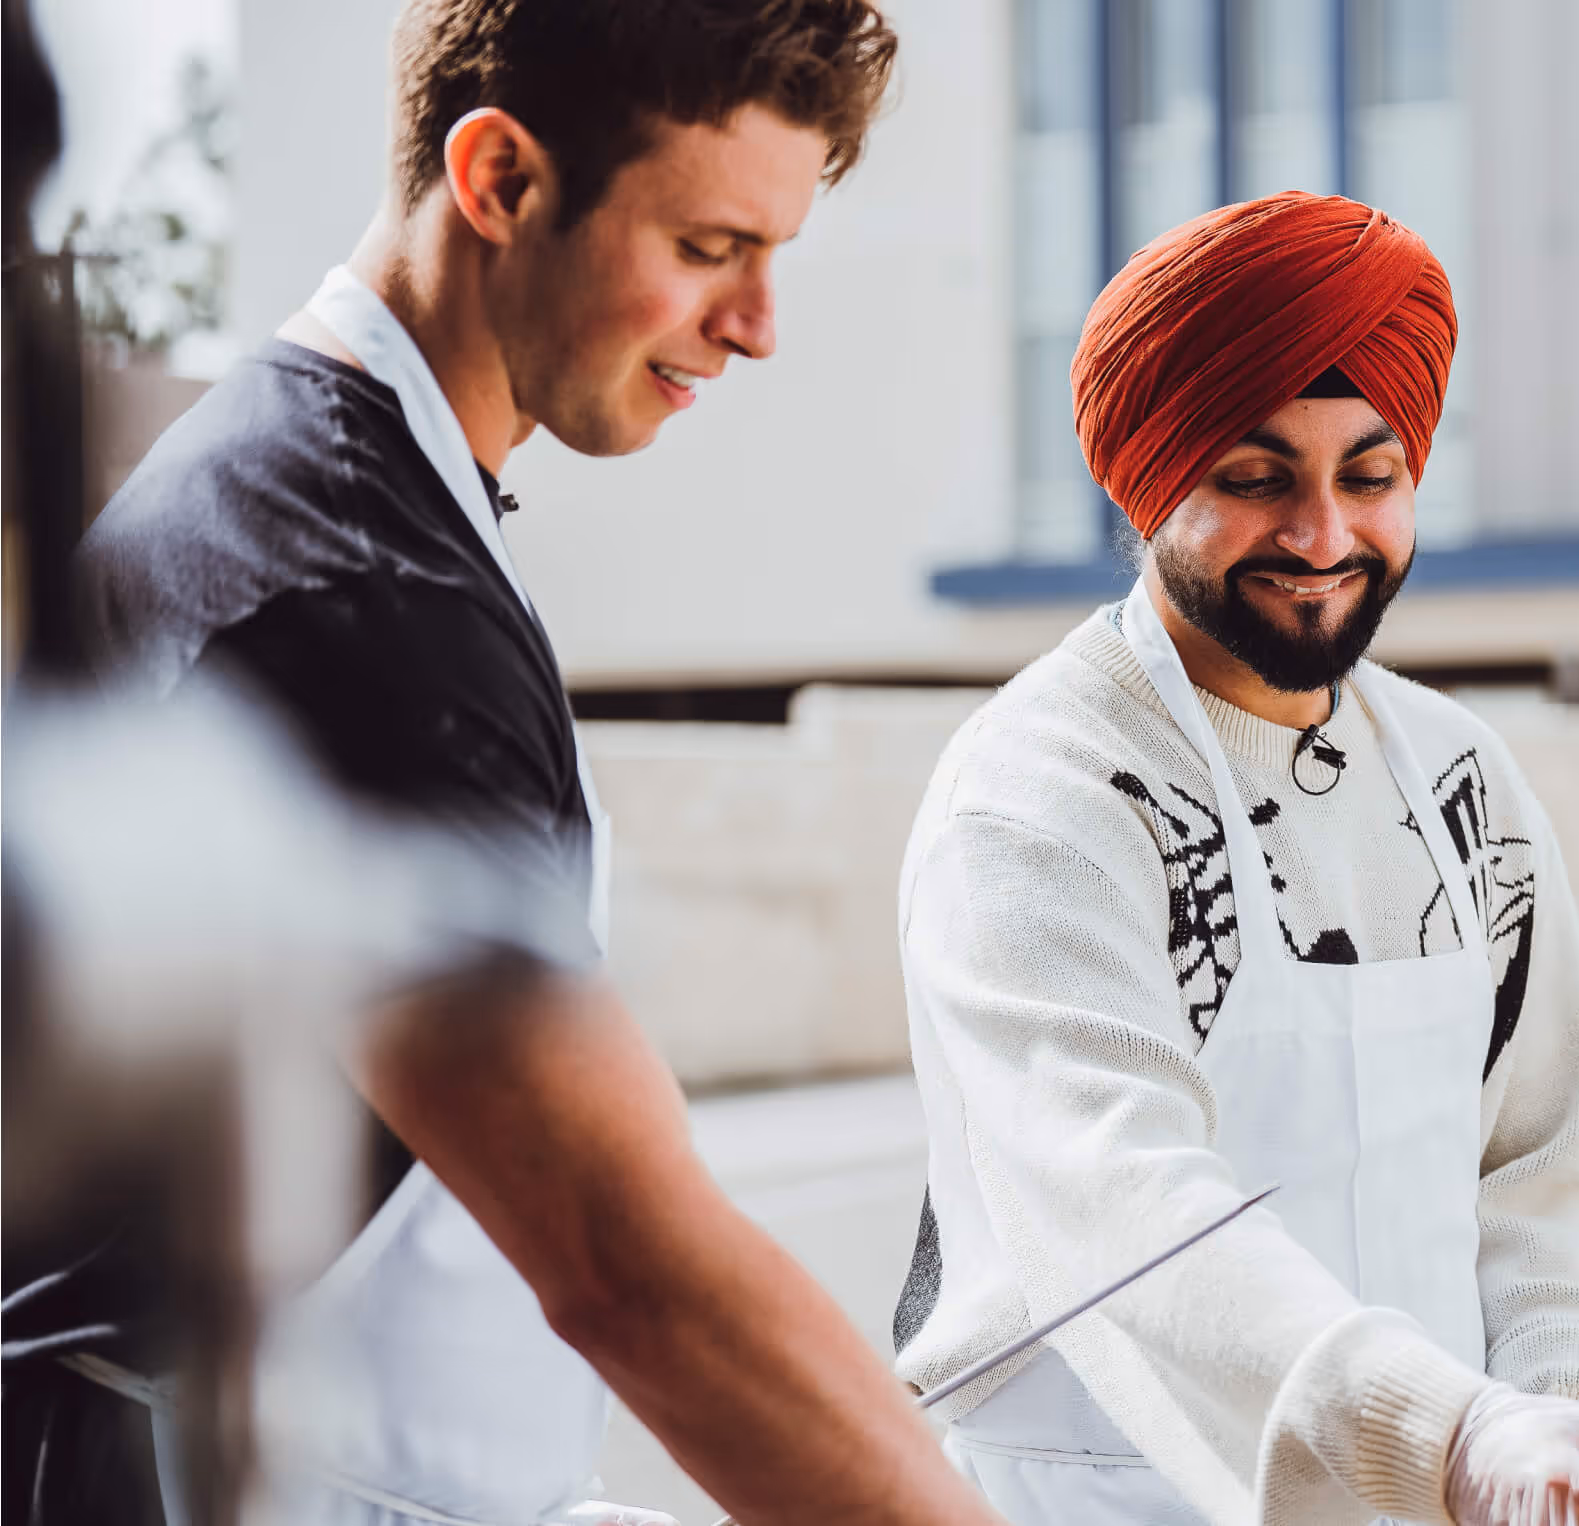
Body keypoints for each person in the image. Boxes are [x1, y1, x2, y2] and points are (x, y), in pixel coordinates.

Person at [69, 3, 1000, 1523]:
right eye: (709, 248)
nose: (760, 322)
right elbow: (632, 1272)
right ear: (499, 179)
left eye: (778, 253)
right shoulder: (350, 595)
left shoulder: (329, 490)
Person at [889, 190, 1579, 1525]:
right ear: (1145, 479)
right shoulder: (1037, 794)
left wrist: (1568, 1427)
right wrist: (1456, 1437)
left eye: (1368, 475)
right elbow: (1121, 1201)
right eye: (1251, 478)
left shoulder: (1463, 780)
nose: (1319, 537)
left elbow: (1538, 1165)